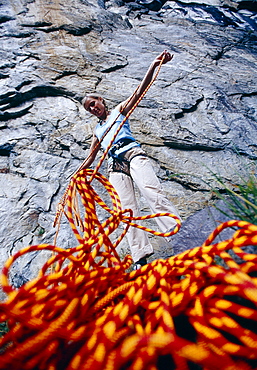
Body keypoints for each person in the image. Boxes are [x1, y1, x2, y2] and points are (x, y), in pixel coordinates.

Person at [81, 50, 181, 268]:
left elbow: (139, 91)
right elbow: (90, 159)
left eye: (93, 103)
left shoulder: (118, 111)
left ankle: (177, 236)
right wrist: (77, 177)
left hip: (132, 154)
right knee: (125, 210)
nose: (93, 108)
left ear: (101, 100)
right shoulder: (97, 132)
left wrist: (153, 65)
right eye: (89, 108)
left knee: (151, 192)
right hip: (114, 165)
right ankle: (140, 257)